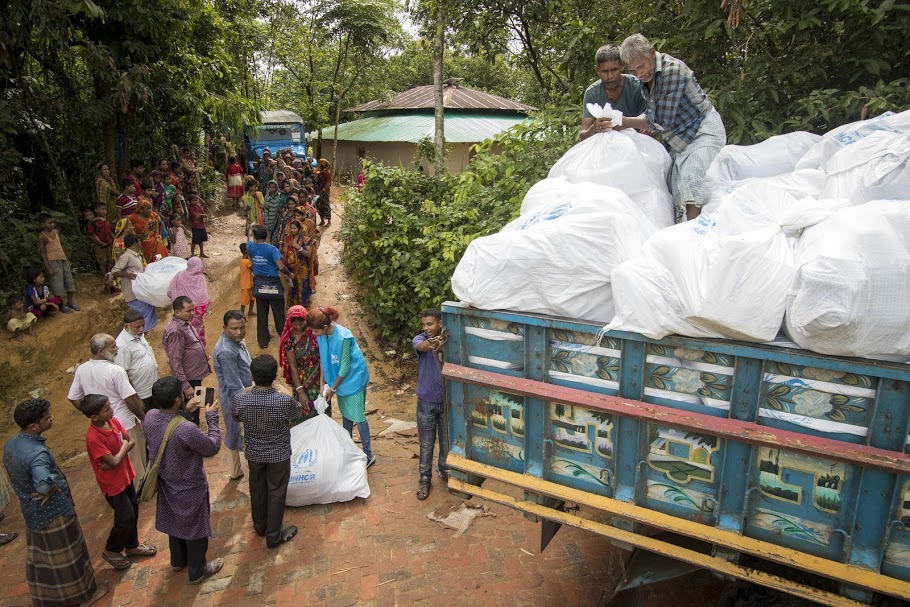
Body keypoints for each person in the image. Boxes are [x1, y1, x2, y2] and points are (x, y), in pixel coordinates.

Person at [4, 399, 109, 605]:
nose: (51, 418)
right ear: (34, 426)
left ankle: (51, 599)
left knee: (46, 561)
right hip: (55, 514)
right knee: (71, 559)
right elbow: (43, 483)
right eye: (47, 418)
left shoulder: (12, 444)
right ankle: (85, 597)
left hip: (33, 514)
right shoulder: (37, 453)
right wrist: (53, 485)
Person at [618, 34, 727, 222]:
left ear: (652, 53)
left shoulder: (672, 72)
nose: (639, 75)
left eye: (641, 67)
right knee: (674, 189)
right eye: (633, 71)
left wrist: (625, 122)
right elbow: (655, 115)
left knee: (690, 175)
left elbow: (662, 121)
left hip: (702, 131)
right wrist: (646, 123)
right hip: (681, 140)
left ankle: (694, 232)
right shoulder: (648, 78)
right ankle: (680, 230)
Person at [144, 376, 223, 584]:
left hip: (167, 482)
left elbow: (167, 428)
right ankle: (198, 570)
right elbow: (211, 446)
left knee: (175, 521)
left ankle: (178, 560)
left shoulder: (150, 416)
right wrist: (212, 418)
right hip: (190, 485)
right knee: (195, 526)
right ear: (177, 399)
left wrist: (185, 412)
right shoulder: (185, 429)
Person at [77, 394, 157, 570]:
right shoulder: (93, 437)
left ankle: (132, 546)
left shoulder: (112, 421)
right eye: (106, 409)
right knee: (125, 517)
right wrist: (120, 454)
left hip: (126, 475)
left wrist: (117, 456)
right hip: (112, 485)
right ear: (94, 417)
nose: (111, 410)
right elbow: (115, 459)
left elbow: (131, 441)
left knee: (133, 511)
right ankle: (112, 549)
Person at [233, 355, 300, 548]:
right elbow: (296, 413)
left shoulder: (241, 399)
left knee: (257, 488)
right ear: (274, 376)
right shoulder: (283, 401)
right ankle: (274, 535)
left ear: (252, 375)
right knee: (277, 491)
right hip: (278, 454)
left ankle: (260, 526)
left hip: (254, 452)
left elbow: (236, 416)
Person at [69, 333, 148, 482]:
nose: (117, 348)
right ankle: (140, 492)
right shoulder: (115, 371)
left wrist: (93, 414)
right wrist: (143, 418)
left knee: (117, 462)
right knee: (135, 462)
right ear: (101, 351)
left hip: (103, 427)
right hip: (125, 423)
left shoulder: (82, 370)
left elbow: (73, 397)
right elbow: (130, 400)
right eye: (113, 346)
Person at [307, 306, 374, 466]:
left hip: (353, 380)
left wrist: (333, 389)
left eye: (315, 331)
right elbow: (323, 359)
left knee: (358, 416)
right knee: (345, 414)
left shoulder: (344, 337)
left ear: (324, 327)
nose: (314, 334)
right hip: (337, 381)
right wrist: (323, 384)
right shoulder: (322, 335)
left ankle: (368, 453)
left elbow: (344, 367)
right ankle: (348, 447)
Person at [212, 310, 252, 481]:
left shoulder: (236, 341)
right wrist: (256, 392)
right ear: (224, 328)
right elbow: (235, 387)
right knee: (242, 436)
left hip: (238, 396)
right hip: (237, 399)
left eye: (242, 327)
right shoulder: (226, 351)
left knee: (234, 433)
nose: (239, 332)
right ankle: (250, 476)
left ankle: (235, 471)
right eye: (234, 329)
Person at [413, 309, 448, 500]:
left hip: (446, 401)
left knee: (445, 441)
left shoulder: (449, 340)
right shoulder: (419, 340)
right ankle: (425, 479)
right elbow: (424, 346)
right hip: (426, 401)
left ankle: (444, 471)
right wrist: (437, 342)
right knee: (426, 444)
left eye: (430, 324)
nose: (426, 328)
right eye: (424, 325)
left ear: (440, 323)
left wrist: (444, 342)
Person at [580, 44, 650, 140]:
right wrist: (592, 129)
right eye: (604, 71)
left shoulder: (637, 86)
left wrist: (650, 129)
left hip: (637, 143)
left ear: (622, 66)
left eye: (614, 70)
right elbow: (583, 135)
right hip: (605, 147)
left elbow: (651, 121)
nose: (610, 76)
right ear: (597, 70)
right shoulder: (592, 93)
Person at [162, 296, 211, 425]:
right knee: (190, 411)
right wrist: (185, 385)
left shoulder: (185, 322)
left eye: (193, 310)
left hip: (194, 374)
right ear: (177, 312)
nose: (192, 313)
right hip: (189, 379)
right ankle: (192, 435)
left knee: (196, 407)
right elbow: (175, 360)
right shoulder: (176, 331)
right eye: (188, 311)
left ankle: (196, 429)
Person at [248, 225, 293, 348]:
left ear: (255, 237)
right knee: (279, 314)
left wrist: (251, 227)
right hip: (273, 284)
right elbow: (280, 266)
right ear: (266, 235)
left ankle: (263, 341)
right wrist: (289, 273)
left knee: (262, 315)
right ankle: (285, 340)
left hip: (259, 285)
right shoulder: (272, 249)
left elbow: (249, 237)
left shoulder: (250, 247)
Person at [279, 305, 320, 424]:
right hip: (300, 381)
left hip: (318, 380)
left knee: (320, 411)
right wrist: (300, 390)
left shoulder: (314, 335)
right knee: (303, 411)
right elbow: (293, 366)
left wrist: (323, 383)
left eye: (301, 323)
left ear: (306, 321)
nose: (297, 327)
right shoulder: (289, 341)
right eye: (294, 324)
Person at [110, 233, 158, 332]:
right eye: (139, 242)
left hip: (140, 291)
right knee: (143, 313)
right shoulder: (126, 256)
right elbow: (114, 271)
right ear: (135, 243)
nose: (141, 244)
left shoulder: (136, 256)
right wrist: (128, 275)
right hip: (133, 293)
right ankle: (142, 334)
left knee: (149, 310)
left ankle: (145, 333)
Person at [115, 309, 159, 409]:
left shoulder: (138, 335)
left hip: (153, 389)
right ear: (126, 327)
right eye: (137, 327)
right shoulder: (122, 345)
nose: (141, 329)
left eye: (143, 325)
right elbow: (123, 375)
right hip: (142, 394)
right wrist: (135, 399)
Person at [37, 213, 80, 313]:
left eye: (53, 222)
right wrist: (48, 267)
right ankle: (61, 304)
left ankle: (70, 301)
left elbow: (60, 246)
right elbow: (43, 253)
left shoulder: (56, 232)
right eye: (49, 223)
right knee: (57, 284)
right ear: (42, 224)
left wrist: (67, 259)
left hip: (62, 259)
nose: (52, 225)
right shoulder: (42, 236)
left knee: (69, 281)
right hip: (52, 262)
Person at [167, 257, 210, 346]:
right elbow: (203, 296)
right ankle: (198, 346)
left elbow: (171, 290)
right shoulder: (200, 277)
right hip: (197, 311)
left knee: (183, 330)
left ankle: (186, 346)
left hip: (183, 309)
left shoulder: (180, 275)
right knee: (197, 329)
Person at [86, 203, 115, 292]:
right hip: (100, 245)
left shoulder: (106, 220)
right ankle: (104, 277)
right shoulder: (93, 222)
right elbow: (90, 234)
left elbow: (111, 230)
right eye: (102, 209)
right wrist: (99, 242)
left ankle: (110, 275)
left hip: (109, 243)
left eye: (105, 210)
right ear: (96, 210)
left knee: (110, 259)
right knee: (102, 261)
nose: (104, 211)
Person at [129, 199, 168, 264]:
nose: (150, 210)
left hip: (156, 242)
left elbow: (161, 224)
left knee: (160, 260)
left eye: (150, 208)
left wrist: (160, 235)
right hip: (141, 244)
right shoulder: (132, 218)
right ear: (141, 210)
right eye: (148, 209)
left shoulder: (154, 216)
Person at [263, 180, 283, 246]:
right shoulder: (266, 196)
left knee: (275, 236)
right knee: (267, 235)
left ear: (276, 188)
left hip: (276, 219)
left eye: (274, 187)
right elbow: (265, 207)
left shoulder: (279, 196)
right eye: (270, 187)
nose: (272, 189)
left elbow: (278, 206)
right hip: (267, 218)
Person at [314, 159, 332, 226]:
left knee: (325, 205)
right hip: (319, 190)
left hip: (324, 191)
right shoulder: (320, 172)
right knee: (319, 205)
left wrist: (323, 190)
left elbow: (328, 183)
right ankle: (322, 220)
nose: (318, 165)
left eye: (320, 163)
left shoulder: (327, 173)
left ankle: (329, 221)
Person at [239, 243, 253, 316]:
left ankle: (249, 311)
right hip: (247, 282)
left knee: (251, 297)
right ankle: (242, 313)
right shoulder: (247, 261)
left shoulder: (243, 260)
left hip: (247, 281)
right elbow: (252, 269)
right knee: (245, 299)